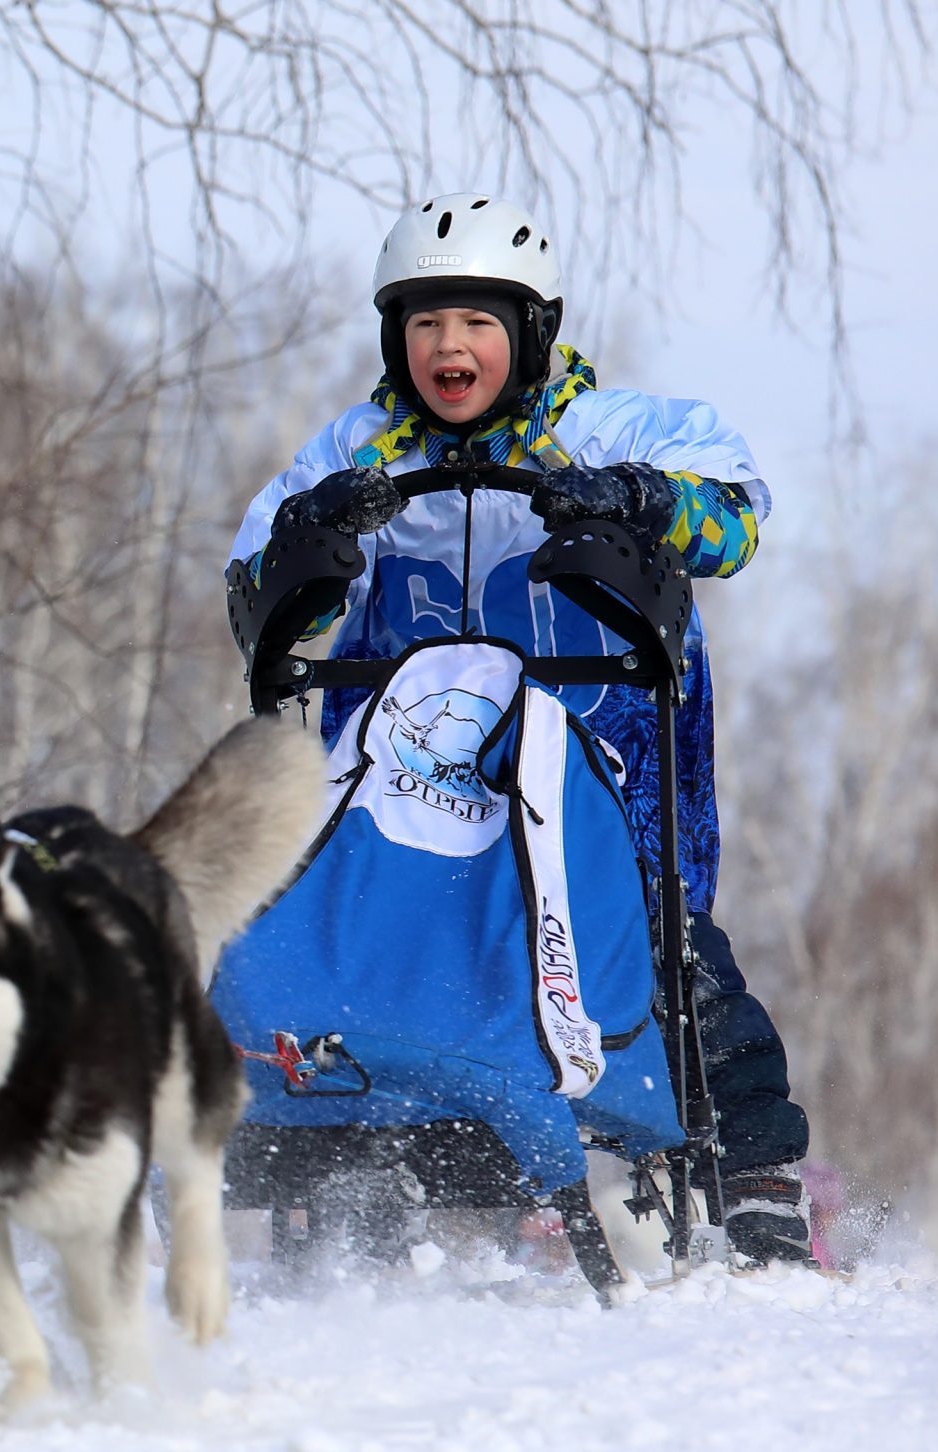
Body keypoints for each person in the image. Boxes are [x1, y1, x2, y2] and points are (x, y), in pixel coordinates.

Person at [225, 192, 813, 1265]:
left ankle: (759, 1167)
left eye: (477, 322)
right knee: (361, 950)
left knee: (670, 949)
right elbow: (257, 599)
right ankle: (355, 1153)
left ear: (530, 330)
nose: (449, 346)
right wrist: (309, 550)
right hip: (403, 782)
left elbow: (730, 517)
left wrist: (634, 500)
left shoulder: (610, 428)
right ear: (394, 338)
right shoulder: (356, 453)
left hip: (596, 763)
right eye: (424, 323)